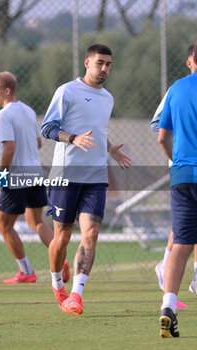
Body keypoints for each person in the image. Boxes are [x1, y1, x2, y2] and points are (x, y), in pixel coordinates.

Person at [41, 44, 131, 315]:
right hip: (66, 175)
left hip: (95, 176)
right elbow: (47, 128)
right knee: (63, 237)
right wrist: (73, 138)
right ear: (87, 62)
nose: (104, 69)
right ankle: (58, 286)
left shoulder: (108, 98)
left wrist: (110, 148)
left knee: (91, 233)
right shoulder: (67, 91)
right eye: (100, 63)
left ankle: (77, 295)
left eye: (108, 65)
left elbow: (98, 132)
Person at [0, 71, 70, 284]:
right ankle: (61, 258)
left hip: (16, 176)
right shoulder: (28, 110)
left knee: (4, 226)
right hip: (35, 174)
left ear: (6, 91)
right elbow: (39, 143)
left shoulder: (3, 115)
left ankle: (26, 272)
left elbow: (9, 148)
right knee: (37, 222)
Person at [158, 40, 197, 338]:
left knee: (181, 244)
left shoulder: (176, 89)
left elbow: (162, 136)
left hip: (182, 174)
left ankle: (167, 305)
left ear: (190, 61)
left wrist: (178, 161)